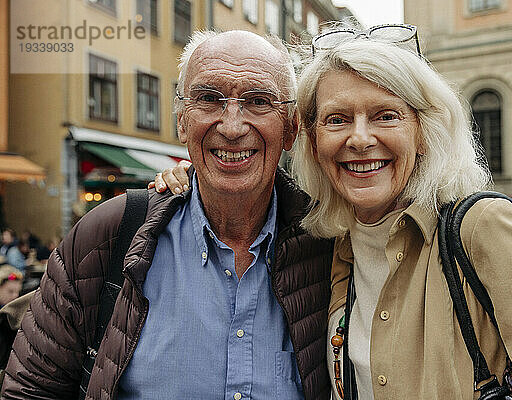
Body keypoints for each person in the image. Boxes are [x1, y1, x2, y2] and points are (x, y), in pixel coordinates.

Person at [156, 23, 512, 399]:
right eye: (337, 119)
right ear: (309, 140)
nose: (360, 139)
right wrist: (188, 180)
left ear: (423, 130)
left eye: (385, 116)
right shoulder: (333, 247)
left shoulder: (482, 229)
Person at [1, 30, 334, 400]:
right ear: (181, 120)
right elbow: (31, 391)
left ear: (290, 129)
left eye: (258, 101)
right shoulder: (107, 236)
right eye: (209, 99)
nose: (233, 126)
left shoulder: (330, 248)